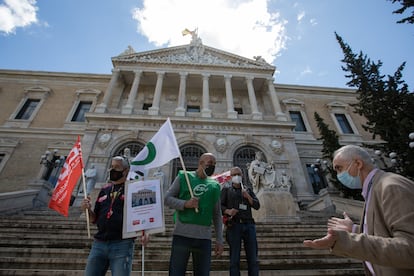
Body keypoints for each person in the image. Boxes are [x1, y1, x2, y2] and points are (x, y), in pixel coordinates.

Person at [303, 145, 414, 276]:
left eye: (339, 168)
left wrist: (345, 240)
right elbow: (385, 235)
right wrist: (356, 230)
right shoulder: (374, 189)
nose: (338, 175)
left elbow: (410, 249)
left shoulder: (391, 187)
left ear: (358, 163)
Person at [81, 156, 149, 276]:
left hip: (122, 243)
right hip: (99, 243)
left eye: (117, 167)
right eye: (111, 167)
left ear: (126, 171)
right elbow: (93, 218)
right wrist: (87, 209)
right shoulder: (105, 189)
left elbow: (143, 212)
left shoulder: (134, 189)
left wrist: (145, 231)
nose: (113, 170)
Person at [164, 153, 224, 276]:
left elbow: (217, 214)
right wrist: (186, 204)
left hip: (204, 238)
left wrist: (219, 239)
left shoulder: (215, 186)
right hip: (182, 235)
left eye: (214, 164)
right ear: (200, 163)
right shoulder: (183, 177)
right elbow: (167, 199)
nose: (212, 166)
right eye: (209, 163)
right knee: (176, 272)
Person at [221, 166, 260, 276]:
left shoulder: (247, 189)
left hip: (249, 225)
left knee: (253, 258)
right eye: (234, 175)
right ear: (230, 177)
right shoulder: (226, 189)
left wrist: (248, 197)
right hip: (234, 225)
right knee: (234, 258)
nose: (236, 176)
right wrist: (228, 211)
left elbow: (257, 205)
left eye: (238, 174)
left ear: (242, 175)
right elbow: (220, 206)